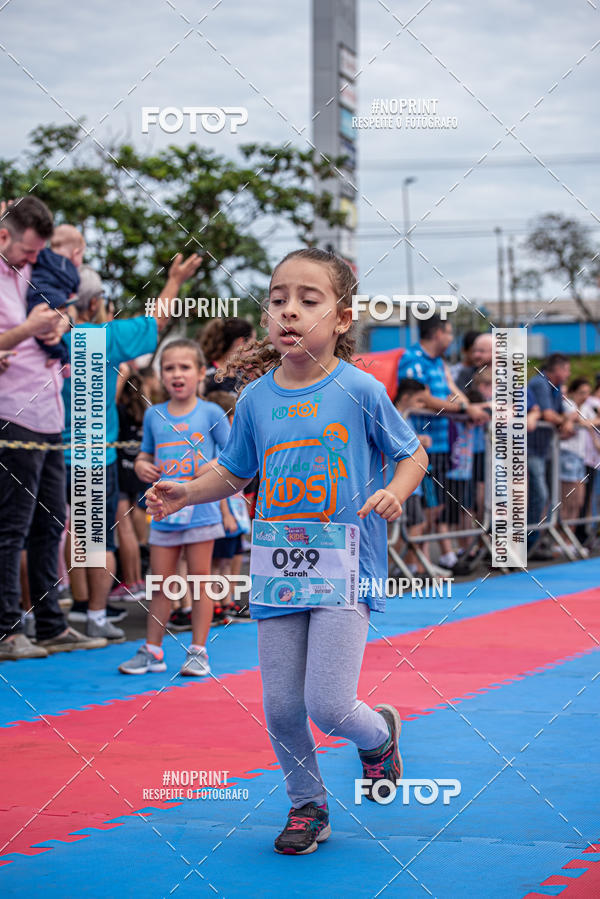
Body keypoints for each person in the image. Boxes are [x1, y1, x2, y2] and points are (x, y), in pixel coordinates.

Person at [144, 248, 428, 854]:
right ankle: (308, 806)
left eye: (308, 300)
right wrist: (187, 490)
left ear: (343, 318)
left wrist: (396, 491)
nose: (289, 312)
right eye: (277, 300)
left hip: (345, 566)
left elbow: (412, 454)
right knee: (279, 708)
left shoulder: (359, 390)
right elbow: (233, 471)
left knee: (328, 705)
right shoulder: (253, 400)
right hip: (276, 568)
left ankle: (376, 737)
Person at [62, 254, 201, 640]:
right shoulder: (98, 338)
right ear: (93, 303)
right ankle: (95, 616)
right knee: (95, 538)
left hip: (45, 450)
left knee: (43, 536)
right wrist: (173, 280)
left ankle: (31, 619)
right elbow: (155, 322)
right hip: (92, 454)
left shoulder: (44, 337)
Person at [0, 196, 107, 660]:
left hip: (50, 413)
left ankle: (51, 625)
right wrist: (27, 330)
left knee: (53, 524)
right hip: (11, 416)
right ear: (4, 235)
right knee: (11, 530)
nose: (33, 258)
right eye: (27, 250)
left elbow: (55, 318)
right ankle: (7, 630)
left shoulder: (29, 274)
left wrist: (57, 325)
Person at [119, 339, 232, 677]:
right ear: (161, 375)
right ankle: (153, 650)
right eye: (169, 368)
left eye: (185, 367)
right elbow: (144, 455)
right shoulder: (154, 414)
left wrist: (208, 468)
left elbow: (233, 459)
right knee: (162, 584)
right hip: (163, 515)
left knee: (199, 583)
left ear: (200, 373)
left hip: (202, 512)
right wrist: (141, 466)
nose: (177, 374)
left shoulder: (212, 413)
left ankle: (198, 651)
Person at [397, 315, 488, 569]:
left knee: (434, 508)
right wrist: (463, 408)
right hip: (420, 445)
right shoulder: (412, 358)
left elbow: (451, 389)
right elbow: (422, 398)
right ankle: (413, 563)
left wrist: (468, 408)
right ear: (437, 333)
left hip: (440, 444)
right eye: (449, 333)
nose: (451, 339)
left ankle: (421, 560)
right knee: (422, 510)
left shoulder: (439, 362)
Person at [526, 353, 573, 557]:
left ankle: (537, 541)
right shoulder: (540, 383)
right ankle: (528, 542)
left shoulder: (557, 388)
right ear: (557, 369)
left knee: (550, 496)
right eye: (566, 369)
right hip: (532, 448)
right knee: (540, 494)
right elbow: (549, 415)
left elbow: (562, 414)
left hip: (546, 448)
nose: (569, 374)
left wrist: (566, 420)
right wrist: (565, 421)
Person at [26, 224, 85, 367]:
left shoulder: (42, 254)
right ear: (75, 253)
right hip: (58, 301)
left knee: (43, 332)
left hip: (37, 297)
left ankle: (60, 355)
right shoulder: (74, 272)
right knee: (51, 335)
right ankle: (62, 358)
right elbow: (73, 294)